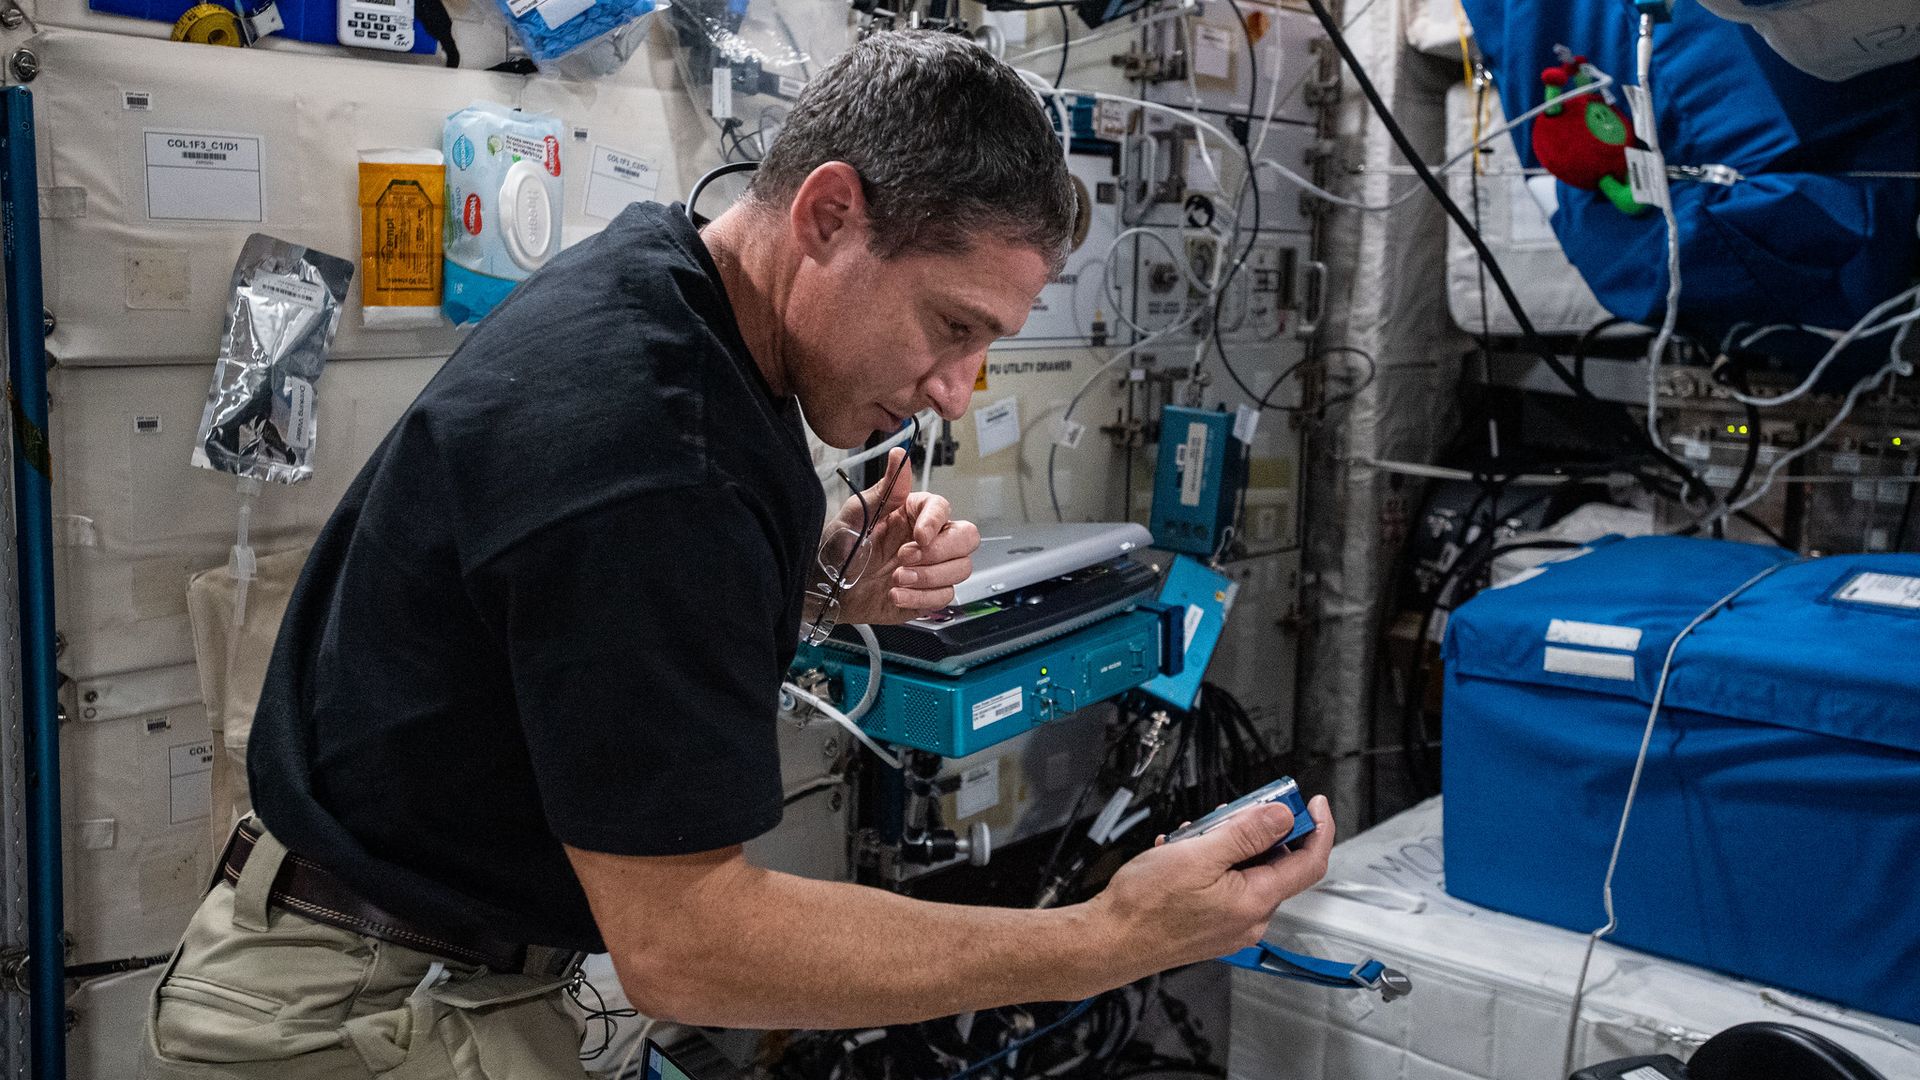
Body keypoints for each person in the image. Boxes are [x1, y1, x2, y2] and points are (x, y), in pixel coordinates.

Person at [140, 30, 1333, 1080]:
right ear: (826, 216)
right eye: (952, 327)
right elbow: (689, 947)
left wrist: (816, 582)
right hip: (355, 1021)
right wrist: (1100, 941)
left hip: (452, 965)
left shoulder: (681, 297)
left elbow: (576, 628)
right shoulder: (652, 446)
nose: (958, 395)